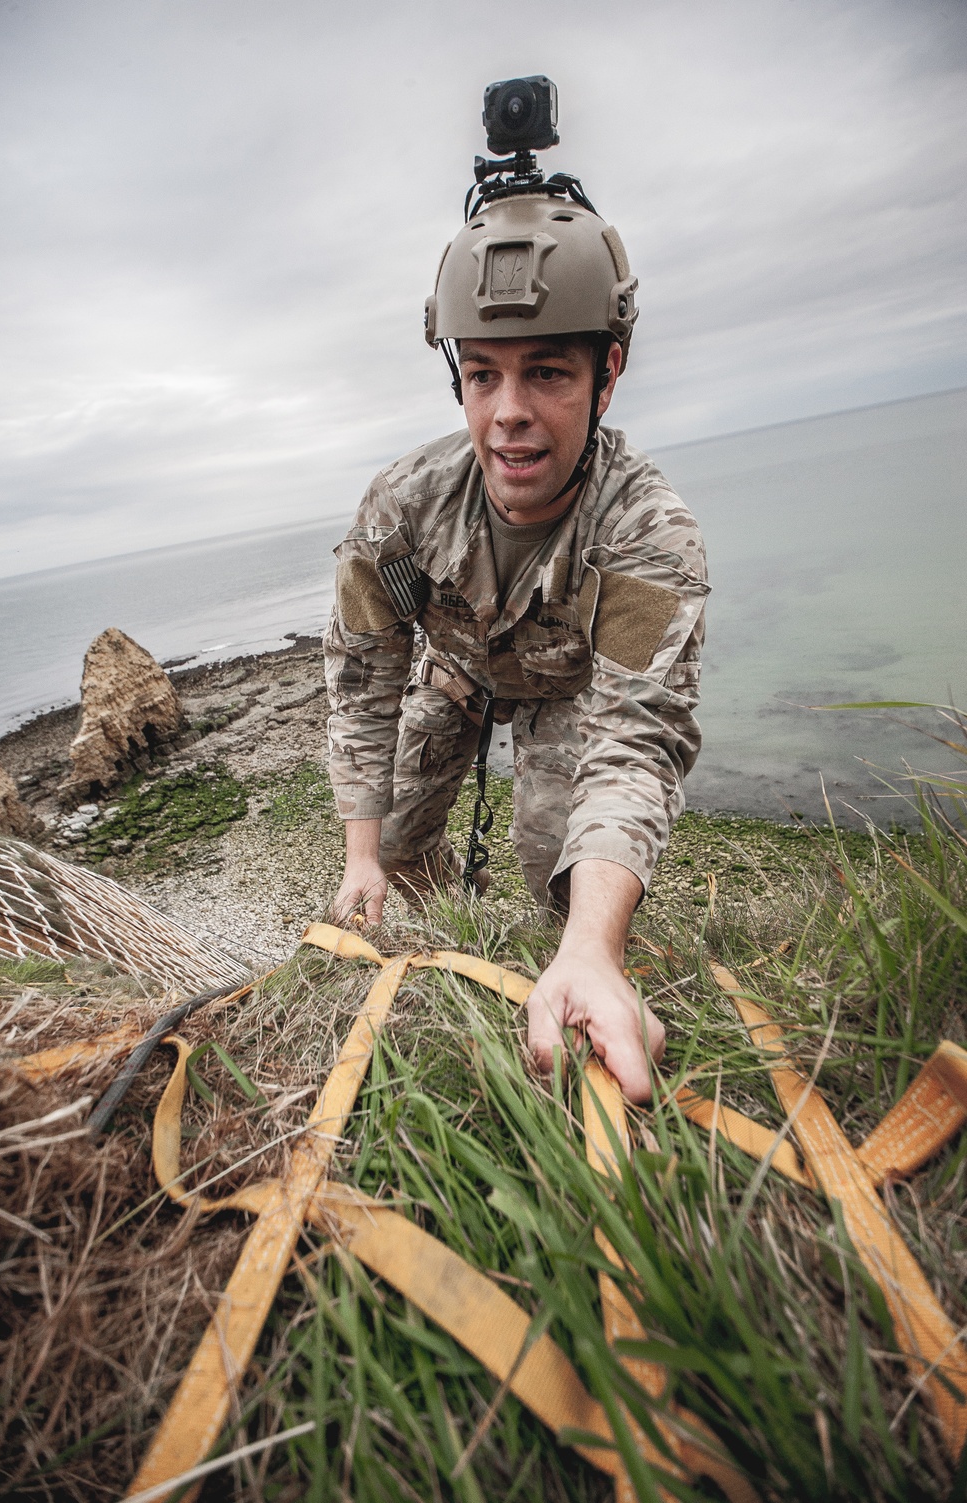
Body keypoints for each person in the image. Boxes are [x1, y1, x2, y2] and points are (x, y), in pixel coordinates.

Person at [323, 129, 709, 1105]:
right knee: (401, 836)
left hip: (564, 697)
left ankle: (571, 980)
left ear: (606, 373)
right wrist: (364, 857)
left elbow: (636, 740)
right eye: (482, 374)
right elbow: (364, 680)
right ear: (454, 376)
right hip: (451, 674)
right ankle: (444, 951)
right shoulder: (401, 513)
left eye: (547, 372)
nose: (508, 414)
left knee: (559, 866)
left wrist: (592, 941)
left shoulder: (645, 535)